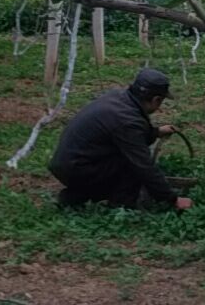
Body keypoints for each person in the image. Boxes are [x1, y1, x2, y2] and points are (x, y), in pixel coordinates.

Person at [50, 68, 189, 210]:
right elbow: (143, 165)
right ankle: (121, 207)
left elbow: (128, 136)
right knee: (133, 164)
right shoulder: (128, 121)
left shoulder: (119, 97)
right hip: (76, 169)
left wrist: (156, 132)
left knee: (125, 158)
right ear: (156, 99)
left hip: (67, 163)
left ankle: (74, 196)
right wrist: (173, 199)